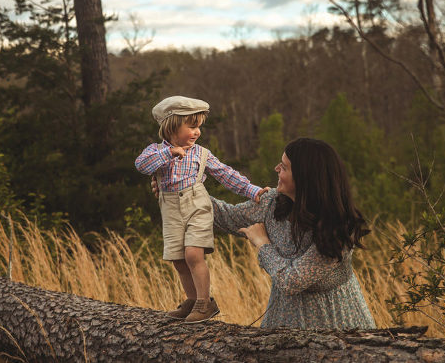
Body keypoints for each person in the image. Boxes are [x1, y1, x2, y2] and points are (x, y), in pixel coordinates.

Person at [155, 137, 376, 329]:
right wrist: (178, 193)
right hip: (280, 323)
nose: (276, 169)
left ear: (307, 178)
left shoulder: (337, 230)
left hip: (337, 326)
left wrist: (262, 243)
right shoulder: (272, 203)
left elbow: (292, 281)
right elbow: (227, 216)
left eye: (285, 167)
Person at [135, 96, 268, 323]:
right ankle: (193, 299)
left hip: (197, 205)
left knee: (193, 254)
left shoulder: (200, 153)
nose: (197, 132)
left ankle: (204, 303)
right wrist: (169, 153)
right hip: (170, 209)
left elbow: (226, 174)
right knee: (178, 259)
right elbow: (141, 165)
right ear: (171, 125)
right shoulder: (155, 151)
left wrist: (252, 190)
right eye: (192, 126)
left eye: (199, 127)